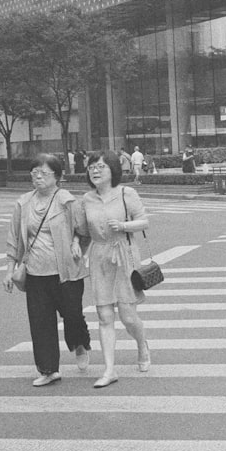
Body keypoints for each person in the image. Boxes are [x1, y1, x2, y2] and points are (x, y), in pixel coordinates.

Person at [3, 154, 92, 387]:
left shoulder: (66, 200)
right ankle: (49, 369)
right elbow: (14, 240)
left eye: (44, 173)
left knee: (72, 315)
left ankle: (80, 343)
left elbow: (83, 230)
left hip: (67, 273)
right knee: (41, 323)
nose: (38, 176)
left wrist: (76, 245)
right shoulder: (23, 203)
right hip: (35, 273)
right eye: (34, 172)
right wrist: (9, 270)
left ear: (58, 176)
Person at [78, 151, 151, 388]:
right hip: (99, 256)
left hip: (124, 255)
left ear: (112, 170)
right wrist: (75, 245)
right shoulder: (86, 199)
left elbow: (144, 221)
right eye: (92, 168)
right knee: (104, 315)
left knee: (128, 316)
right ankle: (109, 370)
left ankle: (142, 345)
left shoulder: (125, 193)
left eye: (100, 166)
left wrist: (123, 225)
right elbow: (84, 232)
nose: (95, 171)